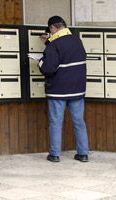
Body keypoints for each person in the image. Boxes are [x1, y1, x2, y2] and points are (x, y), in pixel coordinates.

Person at [38, 16, 89, 162]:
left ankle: (54, 155)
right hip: (77, 90)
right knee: (79, 122)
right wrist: (49, 43)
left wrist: (41, 61)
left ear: (53, 28)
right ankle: (83, 153)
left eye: (50, 31)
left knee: (56, 122)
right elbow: (66, 55)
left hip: (58, 91)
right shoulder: (77, 40)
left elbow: (48, 68)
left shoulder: (54, 45)